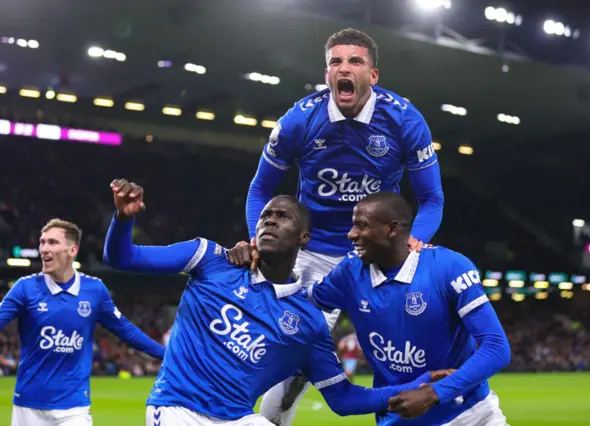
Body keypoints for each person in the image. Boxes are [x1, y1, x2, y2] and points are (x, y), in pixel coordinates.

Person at [103, 179, 449, 426]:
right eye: (266, 215)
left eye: (282, 217)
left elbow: (343, 399)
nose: (269, 219)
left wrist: (414, 386)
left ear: (304, 237)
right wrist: (123, 219)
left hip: (237, 418)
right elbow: (122, 258)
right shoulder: (210, 259)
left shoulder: (308, 322)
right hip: (177, 411)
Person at [244, 27, 444, 425]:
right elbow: (260, 190)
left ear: (373, 75)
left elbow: (432, 200)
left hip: (378, 256)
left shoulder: (405, 120)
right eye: (336, 61)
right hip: (313, 255)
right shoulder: (299, 120)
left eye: (355, 61)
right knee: (292, 365)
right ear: (327, 72)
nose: (344, 68)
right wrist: (259, 239)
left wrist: (416, 241)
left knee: (405, 358)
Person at [309, 192, 511, 425]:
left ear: (392, 229)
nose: (351, 234)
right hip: (398, 419)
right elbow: (301, 303)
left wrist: (434, 393)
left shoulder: (449, 267)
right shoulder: (349, 272)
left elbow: (497, 347)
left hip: (470, 415)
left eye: (361, 226)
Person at [0, 218, 165, 426]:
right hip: (29, 406)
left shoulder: (94, 290)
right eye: (42, 242)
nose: (43, 249)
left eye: (52, 242)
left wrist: (167, 356)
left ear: (72, 250)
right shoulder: (25, 288)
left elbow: (126, 331)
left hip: (74, 408)